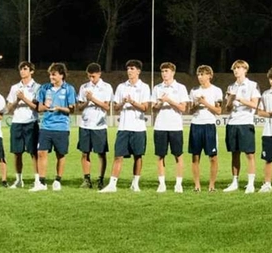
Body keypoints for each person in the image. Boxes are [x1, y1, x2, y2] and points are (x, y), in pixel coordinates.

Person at [99, 60, 150, 193]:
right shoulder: (121, 87)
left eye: (132, 68)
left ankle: (135, 183)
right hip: (123, 127)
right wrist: (123, 102)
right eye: (128, 68)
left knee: (138, 156)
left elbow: (145, 107)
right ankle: (112, 184)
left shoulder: (144, 87)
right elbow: (115, 108)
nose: (129, 71)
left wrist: (132, 102)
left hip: (138, 128)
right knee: (118, 156)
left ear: (138, 71)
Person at [32, 62, 76, 191]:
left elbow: (72, 110)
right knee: (41, 152)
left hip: (62, 127)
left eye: (54, 75)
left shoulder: (69, 89)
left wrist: (59, 108)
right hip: (46, 126)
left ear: (62, 75)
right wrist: (45, 105)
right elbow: (39, 108)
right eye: (50, 75)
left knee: (60, 154)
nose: (51, 77)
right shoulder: (45, 88)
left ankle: (57, 180)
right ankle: (42, 182)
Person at [149, 62, 189, 193]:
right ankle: (161, 183)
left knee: (178, 155)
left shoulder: (180, 88)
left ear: (173, 72)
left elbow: (183, 108)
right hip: (160, 126)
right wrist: (160, 102)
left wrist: (169, 100)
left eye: (166, 71)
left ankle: (178, 183)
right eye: (162, 71)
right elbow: (153, 109)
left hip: (175, 127)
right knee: (160, 156)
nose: (164, 73)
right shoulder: (157, 88)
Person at [221, 60, 260, 193]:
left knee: (249, 154)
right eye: (234, 68)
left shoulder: (252, 85)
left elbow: (255, 105)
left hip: (246, 123)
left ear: (245, 70)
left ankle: (250, 183)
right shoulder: (231, 86)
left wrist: (239, 99)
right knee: (234, 154)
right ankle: (234, 182)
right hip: (232, 123)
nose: (236, 70)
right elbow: (227, 108)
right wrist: (230, 101)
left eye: (239, 68)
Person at [76, 62, 112, 189]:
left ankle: (101, 179)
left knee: (101, 153)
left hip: (99, 126)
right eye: (89, 76)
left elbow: (107, 107)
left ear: (99, 74)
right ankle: (87, 179)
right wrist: (86, 102)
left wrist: (93, 99)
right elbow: (79, 107)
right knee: (85, 153)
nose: (91, 79)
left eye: (93, 76)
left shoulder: (106, 87)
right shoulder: (84, 87)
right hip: (85, 125)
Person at [187, 65, 223, 192]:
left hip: (209, 125)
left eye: (203, 74)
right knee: (195, 157)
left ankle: (211, 185)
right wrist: (197, 105)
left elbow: (218, 110)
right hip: (196, 125)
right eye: (198, 75)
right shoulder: (194, 90)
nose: (200, 77)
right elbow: (190, 111)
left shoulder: (216, 91)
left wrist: (205, 103)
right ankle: (197, 185)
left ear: (210, 76)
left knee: (213, 157)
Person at [5, 62, 41, 188]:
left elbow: (38, 107)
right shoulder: (15, 87)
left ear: (31, 71)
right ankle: (19, 180)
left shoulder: (37, 87)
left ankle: (37, 179)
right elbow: (8, 108)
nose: (22, 71)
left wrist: (24, 99)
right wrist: (17, 100)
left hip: (31, 122)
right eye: (20, 69)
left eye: (25, 69)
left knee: (33, 152)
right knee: (16, 152)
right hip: (17, 122)